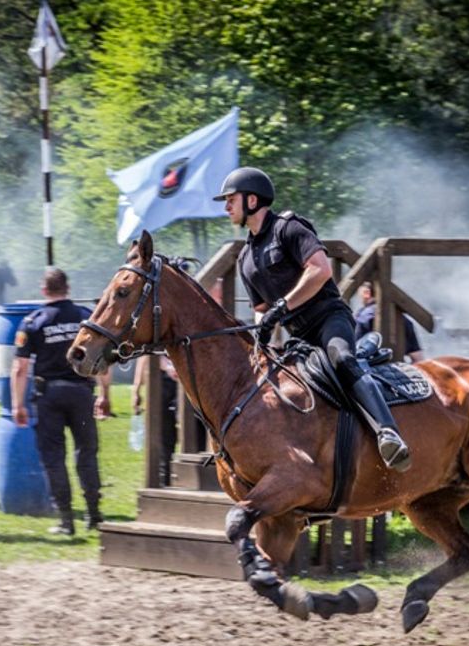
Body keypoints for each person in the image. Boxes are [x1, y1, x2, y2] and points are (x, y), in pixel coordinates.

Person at [214, 167, 411, 471]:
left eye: (231, 200)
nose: (226, 207)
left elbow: (320, 270)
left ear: (251, 200)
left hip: (328, 318)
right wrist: (261, 334)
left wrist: (282, 306)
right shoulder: (245, 258)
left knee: (343, 358)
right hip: (298, 335)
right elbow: (261, 307)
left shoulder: (289, 228)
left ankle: (389, 432)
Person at [11, 267, 111, 535]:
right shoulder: (84, 317)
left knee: (54, 458)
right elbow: (101, 360)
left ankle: (66, 520)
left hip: (49, 398)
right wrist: (104, 394)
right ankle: (93, 514)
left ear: (44, 290)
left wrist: (17, 404)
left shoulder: (34, 321)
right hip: (80, 394)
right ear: (67, 288)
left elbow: (20, 368)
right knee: (86, 454)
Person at [131, 354, 180, 484]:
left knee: (196, 434)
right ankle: (165, 479)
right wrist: (136, 389)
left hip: (187, 380)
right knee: (165, 437)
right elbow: (145, 355)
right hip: (162, 382)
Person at [354, 283, 425, 363]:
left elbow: (353, 352)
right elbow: (417, 358)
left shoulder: (363, 318)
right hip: (399, 371)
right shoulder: (404, 320)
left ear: (367, 293)